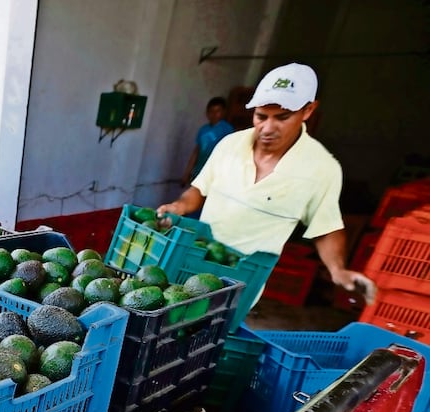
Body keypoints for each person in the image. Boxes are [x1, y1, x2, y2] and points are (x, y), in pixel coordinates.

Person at [157, 63, 375, 302]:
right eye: (261, 116)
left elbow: (326, 228)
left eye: (282, 118)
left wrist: (338, 270)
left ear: (308, 111)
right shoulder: (230, 144)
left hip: (240, 285)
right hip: (193, 265)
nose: (268, 128)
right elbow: (199, 190)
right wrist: (179, 207)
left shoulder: (322, 168)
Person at [181, 96, 234, 187]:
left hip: (214, 176)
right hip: (198, 172)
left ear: (224, 112)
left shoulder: (227, 129)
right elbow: (196, 152)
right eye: (211, 111)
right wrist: (187, 172)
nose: (214, 114)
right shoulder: (203, 129)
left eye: (218, 111)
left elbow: (230, 154)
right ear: (207, 113)